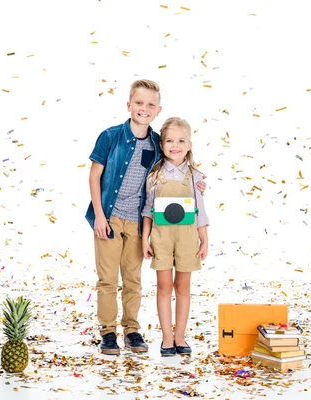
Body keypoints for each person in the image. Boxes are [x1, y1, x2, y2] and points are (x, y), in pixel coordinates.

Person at [85, 80, 205, 355]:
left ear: (158, 110)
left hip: (138, 222)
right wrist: (100, 217)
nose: (144, 109)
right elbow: (94, 176)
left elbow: (174, 170)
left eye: (151, 104)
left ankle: (132, 330)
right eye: (139, 103)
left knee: (133, 279)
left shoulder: (156, 142)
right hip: (111, 216)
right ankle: (108, 332)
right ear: (129, 105)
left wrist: (197, 183)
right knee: (107, 279)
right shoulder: (110, 136)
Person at [141, 117, 209, 357]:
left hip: (187, 238)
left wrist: (204, 239)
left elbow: (200, 210)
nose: (175, 145)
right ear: (162, 144)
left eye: (181, 140)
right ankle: (167, 338)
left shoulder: (195, 177)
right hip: (161, 237)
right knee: (163, 286)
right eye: (169, 141)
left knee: (183, 287)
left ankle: (180, 335)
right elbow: (148, 211)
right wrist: (144, 239)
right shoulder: (154, 176)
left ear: (189, 144)